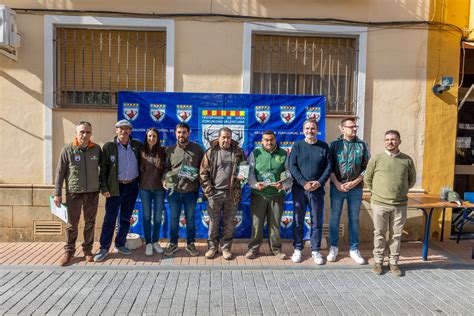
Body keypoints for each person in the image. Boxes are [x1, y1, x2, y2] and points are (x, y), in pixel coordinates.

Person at [364, 130, 416, 277]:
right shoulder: (377, 158)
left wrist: (400, 191)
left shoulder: (407, 160)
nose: (390, 142)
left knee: (396, 235)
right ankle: (378, 262)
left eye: (393, 139)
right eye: (387, 139)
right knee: (379, 233)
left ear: (399, 141)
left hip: (399, 205)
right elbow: (367, 178)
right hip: (379, 204)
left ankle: (393, 263)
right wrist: (377, 193)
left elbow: (411, 180)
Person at [54, 121, 102, 266]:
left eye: (87, 132)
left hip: (92, 193)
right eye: (81, 132)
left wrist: (104, 187)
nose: (84, 135)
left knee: (90, 223)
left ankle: (87, 250)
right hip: (74, 193)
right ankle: (69, 252)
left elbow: (104, 170)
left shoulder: (96, 149)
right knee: (71, 224)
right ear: (76, 133)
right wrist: (57, 193)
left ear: (91, 134)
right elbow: (60, 172)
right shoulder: (68, 149)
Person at [94, 119, 142, 262]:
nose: (124, 131)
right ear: (116, 130)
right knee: (110, 218)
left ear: (130, 131)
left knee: (126, 218)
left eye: (127, 128)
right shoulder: (109, 147)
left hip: (132, 186)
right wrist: (104, 188)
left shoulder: (136, 145)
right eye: (121, 128)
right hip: (115, 187)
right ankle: (104, 248)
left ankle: (120, 244)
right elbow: (103, 169)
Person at [328, 118, 370, 264]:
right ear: (342, 128)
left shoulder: (362, 145)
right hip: (337, 187)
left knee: (354, 218)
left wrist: (355, 182)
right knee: (334, 218)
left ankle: (354, 249)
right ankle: (333, 247)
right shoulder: (334, 145)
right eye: (351, 127)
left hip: (355, 189)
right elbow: (329, 167)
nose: (354, 129)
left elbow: (367, 168)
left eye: (355, 126)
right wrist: (337, 183)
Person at [200, 127, 246, 260]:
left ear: (231, 138)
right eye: (223, 137)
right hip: (215, 193)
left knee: (229, 223)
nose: (226, 140)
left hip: (232, 194)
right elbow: (203, 173)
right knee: (213, 222)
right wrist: (209, 190)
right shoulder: (211, 152)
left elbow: (244, 167)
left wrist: (242, 175)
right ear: (218, 138)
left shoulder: (238, 152)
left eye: (228, 137)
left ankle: (226, 248)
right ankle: (212, 248)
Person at [289, 119, 331, 265]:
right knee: (298, 221)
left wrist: (319, 182)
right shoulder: (297, 146)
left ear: (317, 130)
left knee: (316, 221)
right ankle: (298, 249)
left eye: (312, 128)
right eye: (307, 128)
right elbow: (292, 166)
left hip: (317, 191)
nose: (310, 131)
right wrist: (303, 183)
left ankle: (316, 250)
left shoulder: (324, 147)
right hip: (300, 190)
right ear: (303, 130)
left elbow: (328, 167)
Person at [245, 130, 292, 260]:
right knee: (257, 224)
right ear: (261, 141)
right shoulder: (256, 153)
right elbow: (250, 173)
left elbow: (288, 174)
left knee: (275, 224)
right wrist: (255, 184)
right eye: (266, 140)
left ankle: (276, 250)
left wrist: (283, 185)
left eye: (271, 139)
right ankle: (253, 249)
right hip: (259, 195)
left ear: (275, 139)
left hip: (276, 195)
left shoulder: (283, 154)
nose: (268, 142)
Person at [162, 123, 204, 257]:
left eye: (184, 132)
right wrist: (165, 179)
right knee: (174, 218)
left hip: (191, 192)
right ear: (175, 133)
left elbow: (204, 168)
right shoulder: (170, 150)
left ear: (189, 133)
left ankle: (190, 244)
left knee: (190, 219)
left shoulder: (197, 149)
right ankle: (173, 243)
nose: (181, 135)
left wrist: (196, 174)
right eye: (179, 132)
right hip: (174, 191)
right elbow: (166, 168)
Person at [139, 128, 166, 256]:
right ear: (146, 137)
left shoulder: (162, 151)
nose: (152, 138)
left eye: (154, 136)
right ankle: (148, 243)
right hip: (144, 189)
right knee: (146, 216)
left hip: (159, 189)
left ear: (157, 138)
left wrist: (166, 179)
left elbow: (167, 169)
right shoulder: (140, 151)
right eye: (149, 136)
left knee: (157, 218)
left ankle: (155, 241)